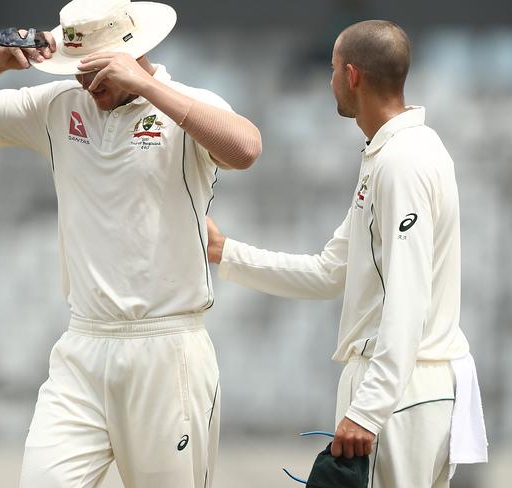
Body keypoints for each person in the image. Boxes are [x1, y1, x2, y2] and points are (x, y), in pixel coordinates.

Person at [0, 0, 262, 487]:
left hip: (168, 351)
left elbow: (246, 149)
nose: (89, 86)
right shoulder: (58, 106)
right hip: (83, 348)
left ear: (133, 53)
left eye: (100, 74)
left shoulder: (187, 103)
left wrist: (148, 86)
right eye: (80, 71)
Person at [207, 20, 487, 487]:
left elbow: (408, 296)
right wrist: (227, 253)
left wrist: (368, 410)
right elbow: (329, 271)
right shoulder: (394, 152)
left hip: (400, 397)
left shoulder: (402, 161)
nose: (330, 79)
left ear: (352, 75)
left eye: (334, 69)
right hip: (409, 393)